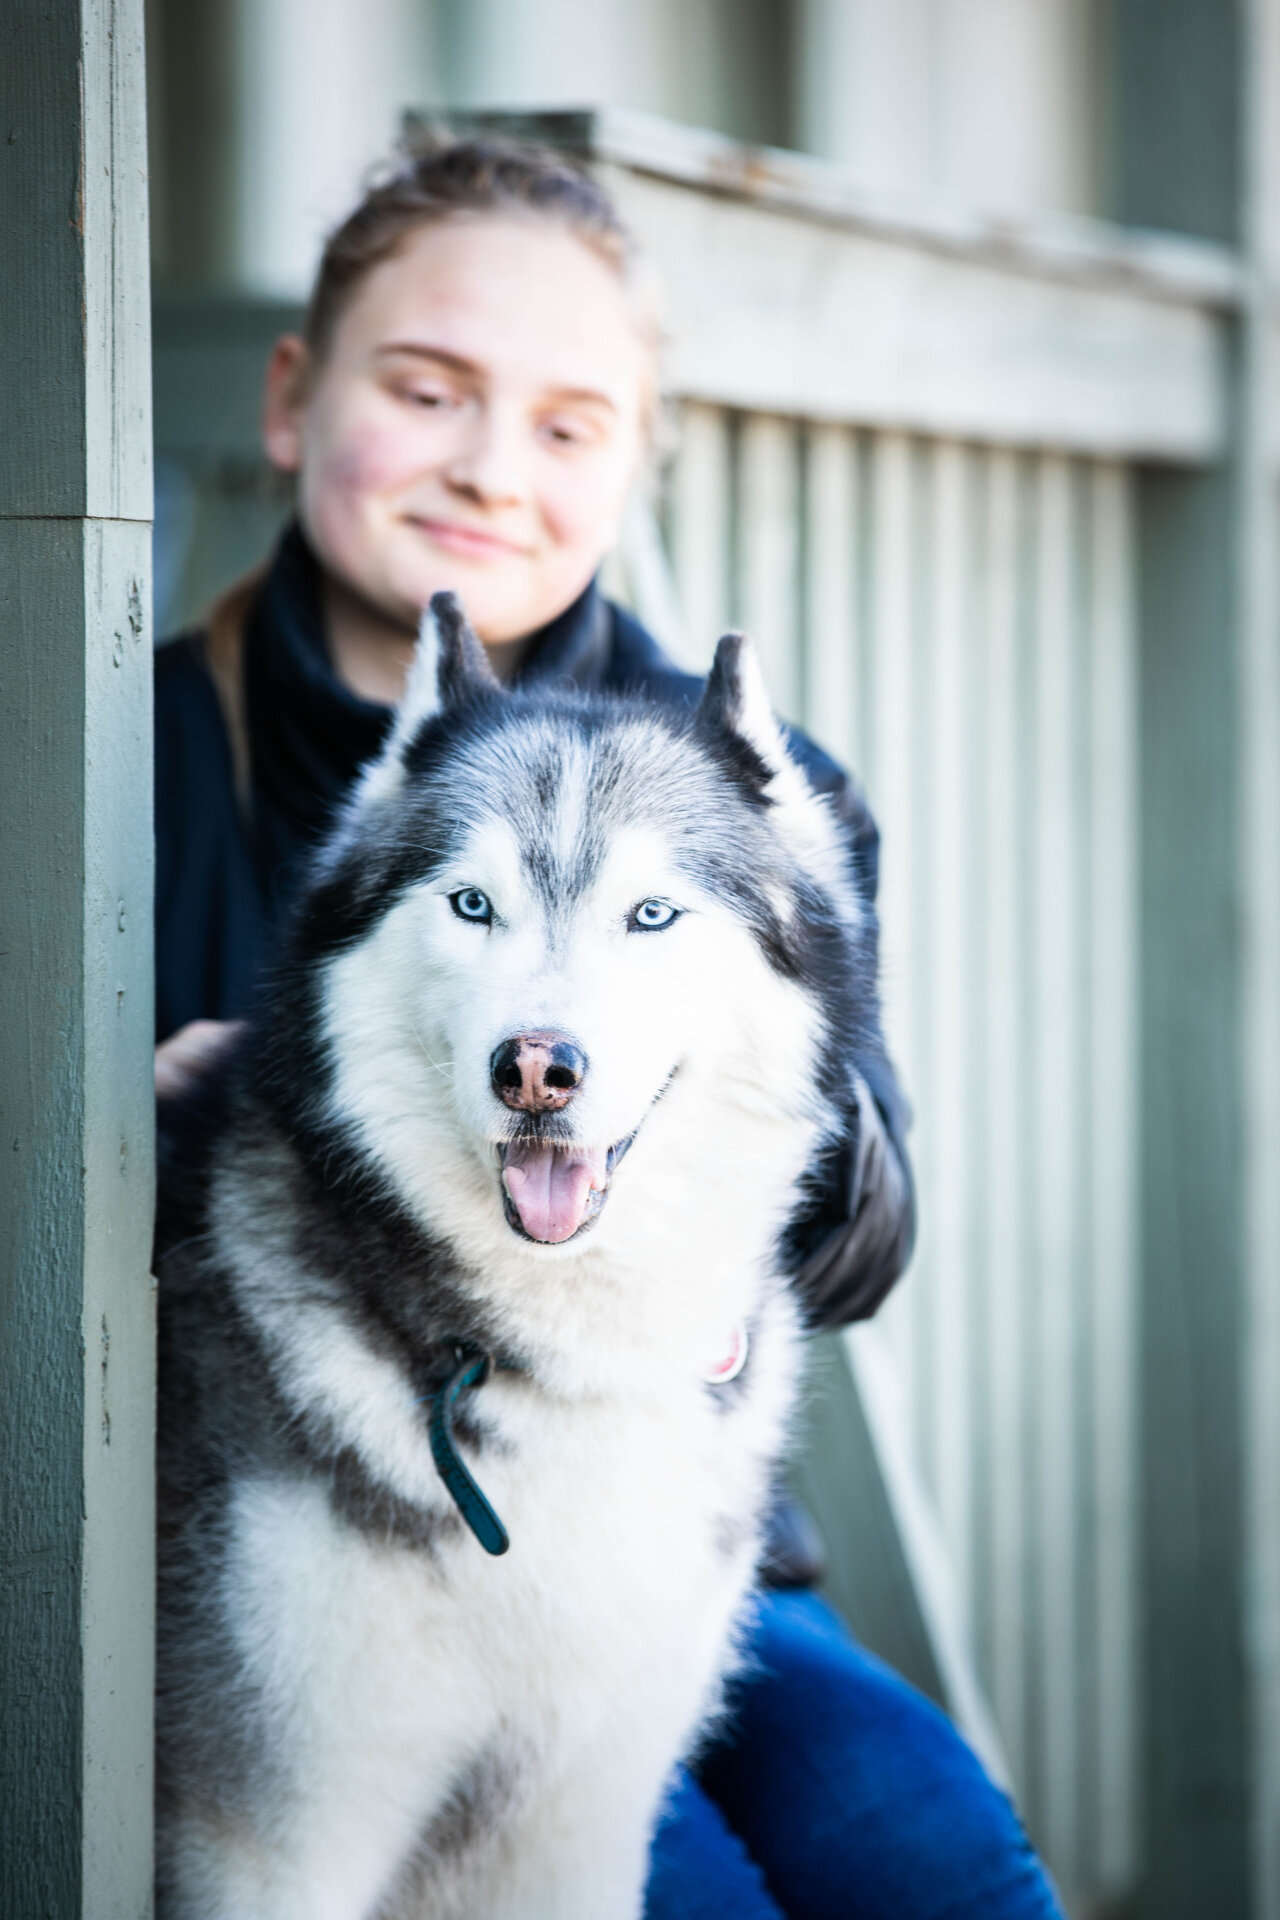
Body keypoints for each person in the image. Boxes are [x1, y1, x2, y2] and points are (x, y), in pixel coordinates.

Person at [154, 135, 1062, 1919]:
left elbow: (863, 1227)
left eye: (571, 424)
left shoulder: (748, 793)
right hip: (324, 1519)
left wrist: (734, 1119)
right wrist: (128, 1115)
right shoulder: (127, 754)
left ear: (633, 463)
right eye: (426, 391)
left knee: (935, 1862)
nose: (493, 466)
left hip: (673, 1534)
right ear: (291, 398)